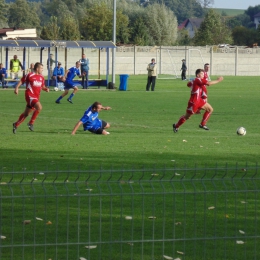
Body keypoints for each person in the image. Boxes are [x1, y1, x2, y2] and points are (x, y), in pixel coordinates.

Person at [173, 68, 223, 133]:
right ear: (197, 75)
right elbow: (209, 83)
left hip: (199, 100)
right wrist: (218, 80)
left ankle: (202, 124)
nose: (203, 75)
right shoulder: (198, 79)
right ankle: (176, 126)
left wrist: (192, 84)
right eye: (201, 73)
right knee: (187, 117)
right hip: (194, 102)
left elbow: (188, 84)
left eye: (203, 73)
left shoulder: (196, 80)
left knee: (210, 109)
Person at [12, 62, 49, 134]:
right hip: (30, 96)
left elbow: (43, 86)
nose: (42, 70)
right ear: (37, 68)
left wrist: (46, 89)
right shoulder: (30, 75)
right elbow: (22, 80)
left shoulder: (41, 77)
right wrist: (17, 88)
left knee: (26, 114)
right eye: (41, 68)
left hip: (36, 97)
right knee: (39, 107)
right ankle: (31, 123)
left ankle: (16, 124)